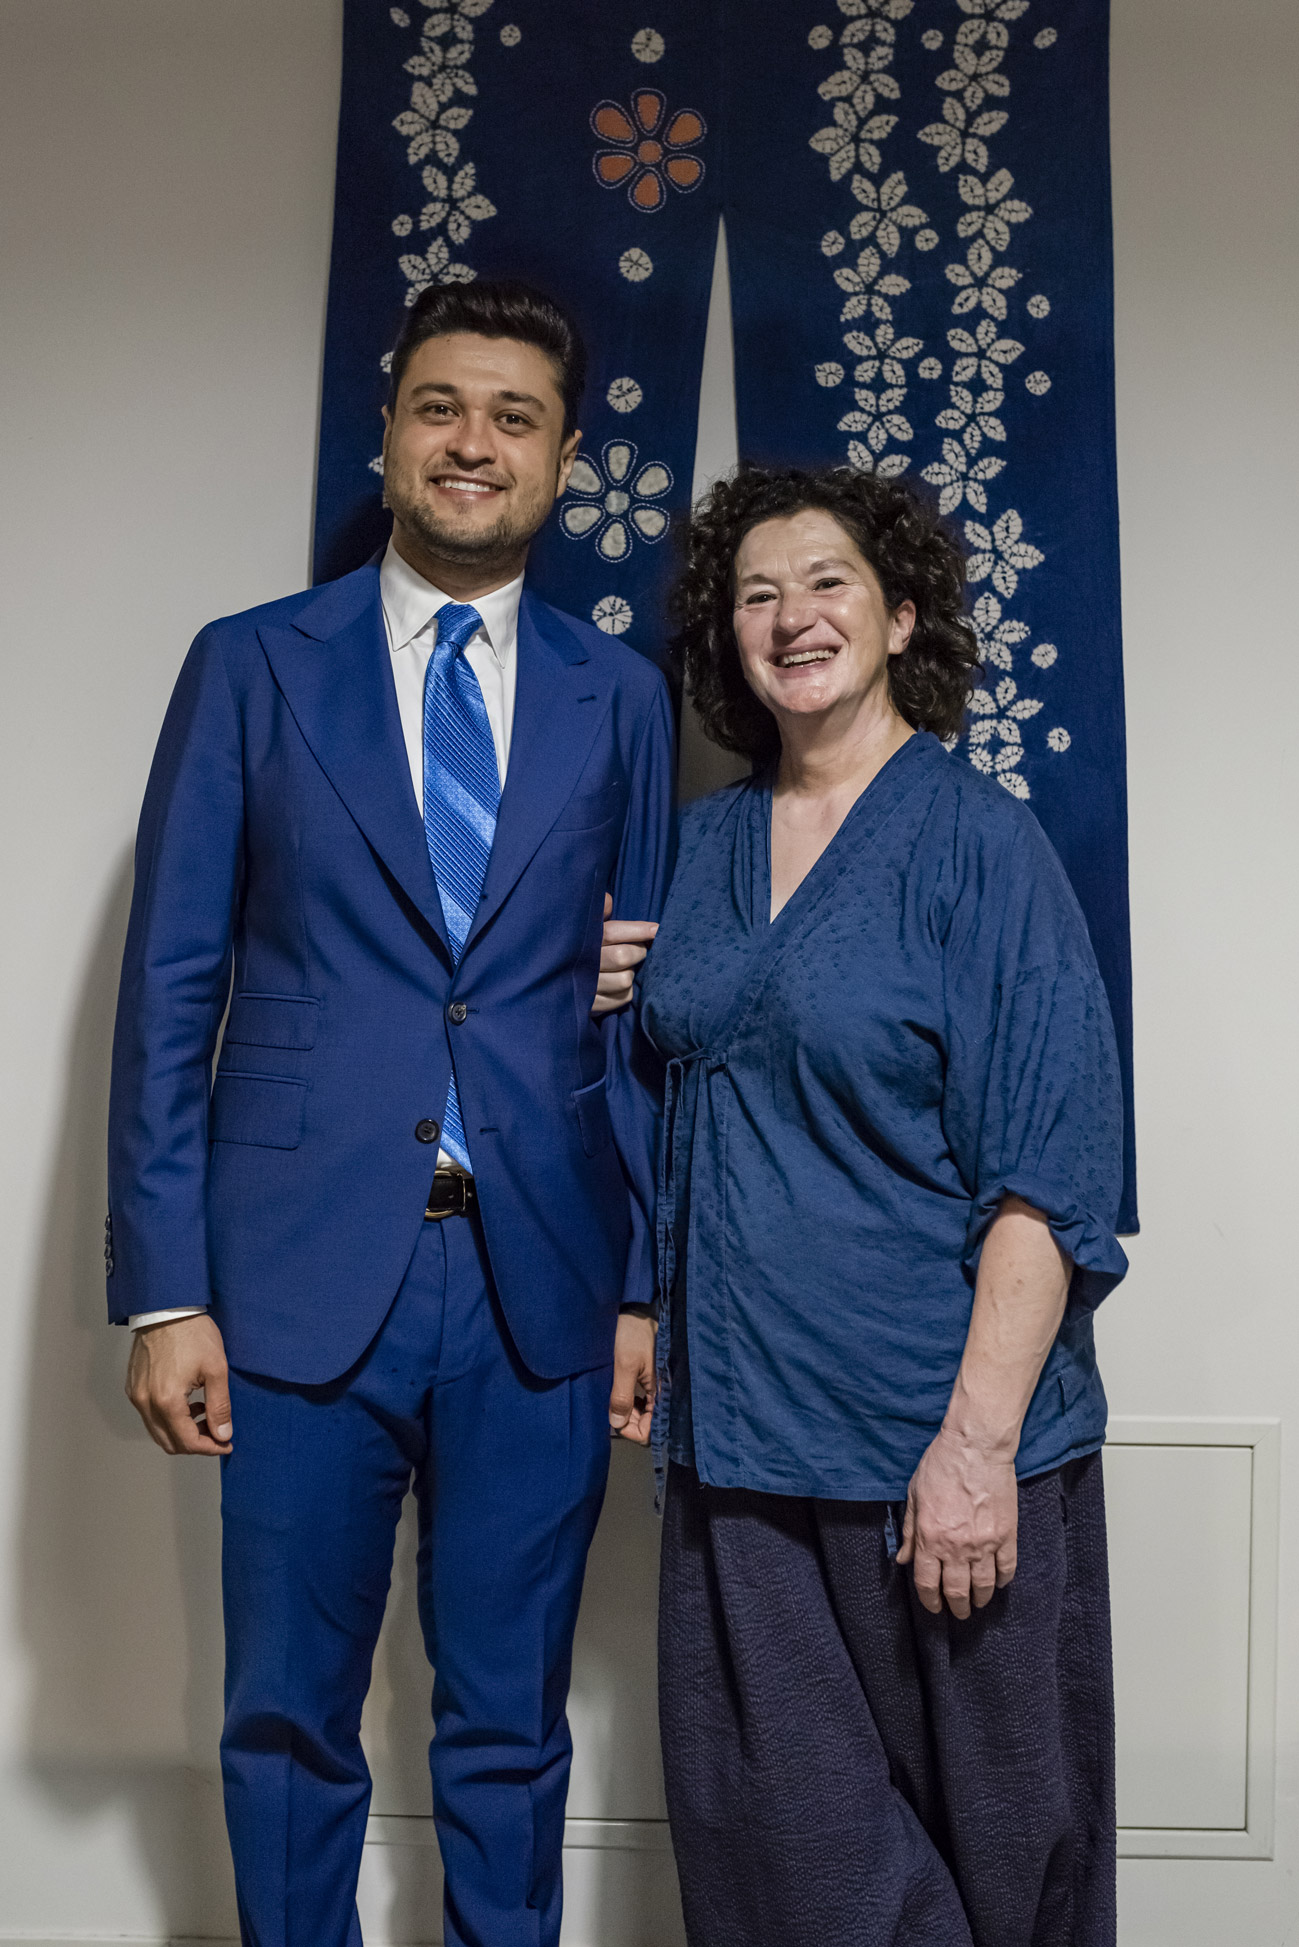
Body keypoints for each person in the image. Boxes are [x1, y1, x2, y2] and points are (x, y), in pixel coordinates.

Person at [107, 279, 670, 1947]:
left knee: (511, 1724)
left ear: (565, 460)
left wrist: (643, 1285)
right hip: (294, 1274)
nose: (472, 443)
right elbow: (169, 990)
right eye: (441, 406)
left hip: (541, 1284)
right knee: (288, 1716)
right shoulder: (250, 666)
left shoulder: (622, 697)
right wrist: (164, 1286)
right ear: (389, 433)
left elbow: (642, 1017)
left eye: (513, 417)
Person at [637, 464, 1128, 1947]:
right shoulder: (701, 847)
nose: (791, 617)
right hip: (740, 1449)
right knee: (788, 1865)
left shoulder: (982, 847)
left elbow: (1048, 1174)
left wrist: (975, 1450)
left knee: (1004, 1856)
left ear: (902, 615)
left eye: (827, 582)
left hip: (935, 1447)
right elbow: (673, 1074)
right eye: (756, 595)